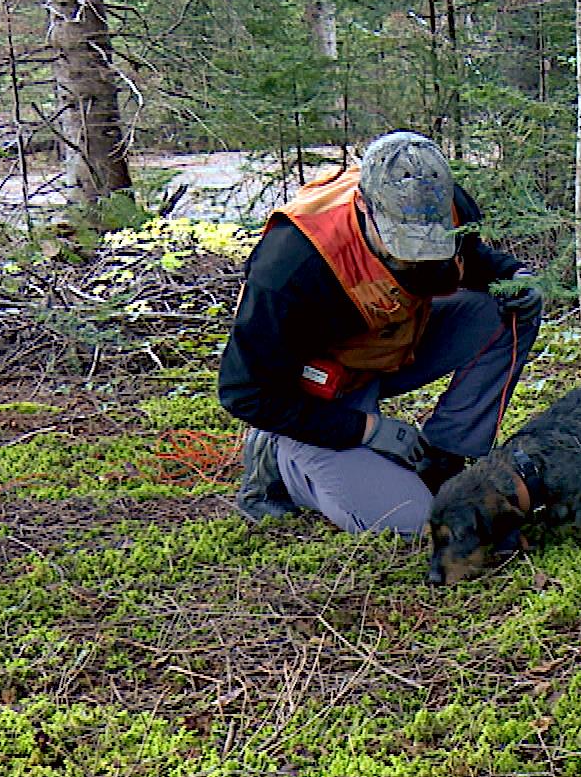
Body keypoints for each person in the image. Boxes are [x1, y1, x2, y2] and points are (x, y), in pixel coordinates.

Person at [219, 131, 542, 534]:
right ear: (364, 208)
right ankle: (282, 464)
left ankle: (443, 458)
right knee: (412, 521)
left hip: (390, 346)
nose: (415, 260)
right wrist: (367, 430)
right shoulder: (291, 265)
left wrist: (513, 276)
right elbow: (245, 393)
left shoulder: (447, 207)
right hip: (318, 391)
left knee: (504, 311)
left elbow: (471, 259)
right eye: (400, 248)